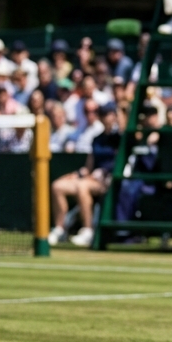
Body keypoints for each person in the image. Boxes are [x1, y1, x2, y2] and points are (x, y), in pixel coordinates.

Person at [48, 103, 121, 247]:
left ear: (114, 116)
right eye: (103, 114)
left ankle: (88, 230)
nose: (105, 117)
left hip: (107, 180)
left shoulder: (119, 138)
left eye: (108, 114)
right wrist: (76, 174)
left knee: (82, 186)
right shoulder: (96, 139)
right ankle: (60, 229)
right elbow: (89, 166)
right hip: (91, 178)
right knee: (57, 186)